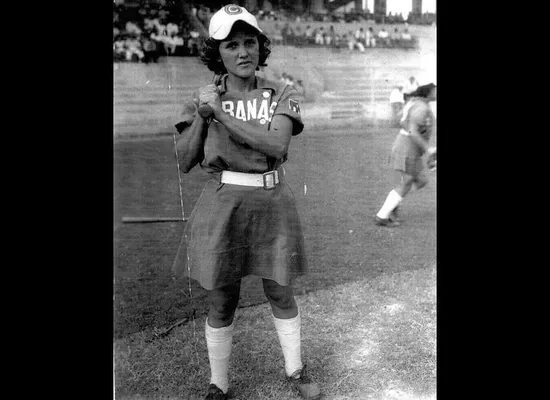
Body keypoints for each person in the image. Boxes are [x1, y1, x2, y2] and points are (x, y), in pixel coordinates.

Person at [172, 5, 321, 400]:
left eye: (249, 42)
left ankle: (295, 371)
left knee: (280, 291)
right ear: (216, 52)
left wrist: (220, 113)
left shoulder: (278, 92)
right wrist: (205, 116)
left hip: (272, 200)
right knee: (223, 298)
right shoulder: (202, 98)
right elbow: (185, 160)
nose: (242, 52)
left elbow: (277, 144)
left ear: (260, 46)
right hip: (224, 205)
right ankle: (218, 384)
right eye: (231, 44)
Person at [373, 83, 437, 226]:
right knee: (407, 182)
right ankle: (382, 216)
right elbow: (413, 131)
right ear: (428, 93)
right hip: (407, 148)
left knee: (421, 180)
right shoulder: (421, 107)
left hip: (409, 147)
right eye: (435, 91)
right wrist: (428, 149)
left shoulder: (415, 103)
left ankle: (395, 200)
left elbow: (402, 121)